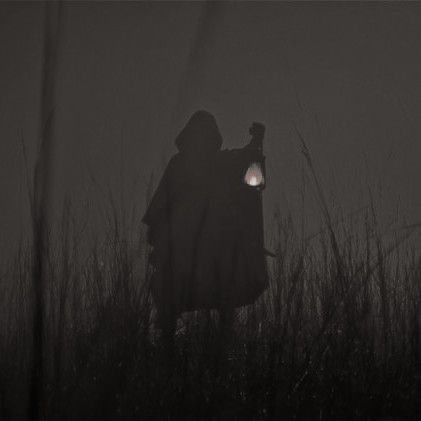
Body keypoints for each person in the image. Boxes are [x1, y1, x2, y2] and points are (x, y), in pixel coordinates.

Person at [142, 110, 268, 347]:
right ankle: (169, 345)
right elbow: (157, 214)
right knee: (167, 300)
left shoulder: (221, 164)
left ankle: (220, 346)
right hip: (182, 257)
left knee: (223, 302)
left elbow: (245, 159)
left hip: (213, 257)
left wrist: (256, 142)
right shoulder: (179, 166)